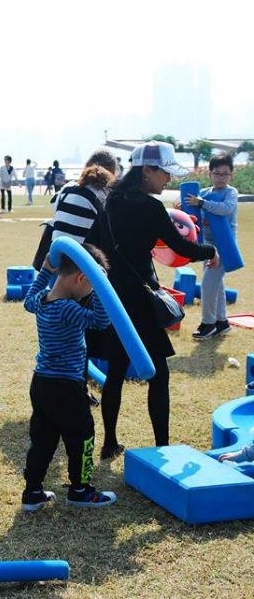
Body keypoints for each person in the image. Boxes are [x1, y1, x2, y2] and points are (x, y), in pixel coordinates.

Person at [99, 141, 218, 458]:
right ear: (147, 170)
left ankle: (109, 442)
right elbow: (184, 248)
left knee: (116, 371)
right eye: (165, 172)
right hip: (139, 296)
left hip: (114, 296)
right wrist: (211, 251)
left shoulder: (113, 200)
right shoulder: (150, 207)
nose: (168, 179)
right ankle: (163, 448)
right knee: (159, 374)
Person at [22, 245, 116, 511]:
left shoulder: (40, 300)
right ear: (81, 278)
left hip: (41, 382)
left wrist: (44, 272)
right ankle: (80, 490)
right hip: (67, 386)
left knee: (42, 439)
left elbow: (27, 298)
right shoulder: (67, 308)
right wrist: (101, 286)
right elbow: (100, 321)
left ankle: (32, 492)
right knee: (82, 436)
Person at [185, 154, 238, 340]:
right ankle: (222, 322)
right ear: (210, 173)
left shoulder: (231, 193)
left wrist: (201, 203)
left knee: (208, 284)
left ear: (231, 174)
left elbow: (225, 209)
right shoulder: (205, 193)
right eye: (217, 173)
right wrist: (184, 208)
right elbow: (193, 214)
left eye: (225, 174)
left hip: (224, 246)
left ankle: (208, 324)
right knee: (216, 284)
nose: (221, 177)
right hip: (206, 247)